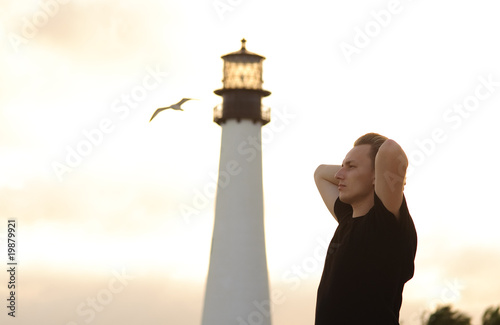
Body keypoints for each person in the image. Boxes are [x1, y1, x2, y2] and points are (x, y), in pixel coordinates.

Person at [314, 133, 417, 324]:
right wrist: (355, 173)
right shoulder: (347, 219)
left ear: (377, 175)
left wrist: (378, 177)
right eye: (342, 166)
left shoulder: (385, 224)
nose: (338, 175)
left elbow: (391, 150)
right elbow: (320, 173)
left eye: (351, 167)